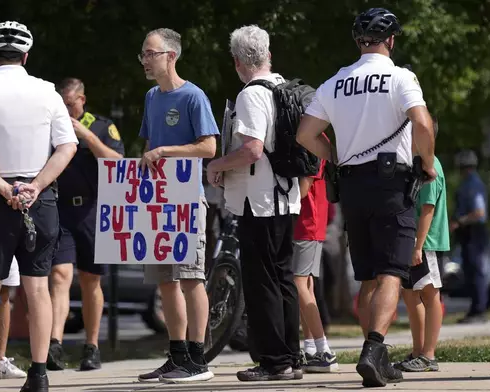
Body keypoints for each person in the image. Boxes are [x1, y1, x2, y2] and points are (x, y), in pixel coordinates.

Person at [296, 7, 437, 388]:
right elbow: (422, 123)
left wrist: (337, 158)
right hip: (392, 184)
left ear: (359, 41)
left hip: (353, 186)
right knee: (393, 270)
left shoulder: (335, 82)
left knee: (369, 277)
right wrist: (426, 163)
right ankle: (374, 349)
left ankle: (375, 355)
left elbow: (306, 134)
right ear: (390, 40)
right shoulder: (400, 77)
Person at [0, 21, 78, 392]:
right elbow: (67, 147)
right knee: (37, 289)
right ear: (26, 55)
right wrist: (36, 186)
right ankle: (38, 375)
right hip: (40, 201)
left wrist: (2, 187)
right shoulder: (48, 92)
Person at [207, 25, 303, 382]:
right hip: (286, 196)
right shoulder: (282, 87)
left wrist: (216, 165)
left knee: (261, 281)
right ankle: (291, 356)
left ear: (236, 61)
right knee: (283, 278)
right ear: (268, 55)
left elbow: (252, 148)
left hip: (258, 201)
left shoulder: (251, 95)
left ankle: (273, 361)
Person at [136, 28, 218, 383]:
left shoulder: (193, 96)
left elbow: (209, 148)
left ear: (171, 56)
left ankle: (198, 360)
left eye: (150, 53)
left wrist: (165, 151)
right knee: (165, 281)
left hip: (186, 200)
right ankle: (177, 354)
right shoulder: (152, 97)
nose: (144, 60)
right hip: (158, 201)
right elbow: (150, 145)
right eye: (143, 54)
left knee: (190, 278)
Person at [46, 77, 124, 371]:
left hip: (92, 210)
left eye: (69, 104)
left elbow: (118, 161)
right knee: (59, 275)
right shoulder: (51, 126)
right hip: (60, 209)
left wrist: (87, 136)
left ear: (82, 100)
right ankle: (54, 345)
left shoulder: (102, 126)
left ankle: (91, 347)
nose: (65, 110)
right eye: (61, 104)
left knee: (91, 279)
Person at [395, 118, 449, 372]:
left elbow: (427, 210)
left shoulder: (431, 165)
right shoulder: (416, 165)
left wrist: (418, 245)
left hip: (427, 242)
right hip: (415, 241)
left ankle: (428, 354)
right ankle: (418, 351)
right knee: (410, 293)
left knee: (429, 293)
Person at [293, 156, 338, 373]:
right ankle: (311, 349)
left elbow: (302, 189)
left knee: (298, 284)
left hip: (306, 225)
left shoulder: (309, 142)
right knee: (307, 285)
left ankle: (324, 350)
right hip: (311, 225)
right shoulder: (317, 138)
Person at [450, 149, 489, 324]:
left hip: (474, 232)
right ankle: (474, 310)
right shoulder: (469, 183)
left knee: (476, 271)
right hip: (469, 233)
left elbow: (479, 213)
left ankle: (479, 310)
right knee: (470, 270)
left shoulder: (473, 185)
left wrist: (459, 222)